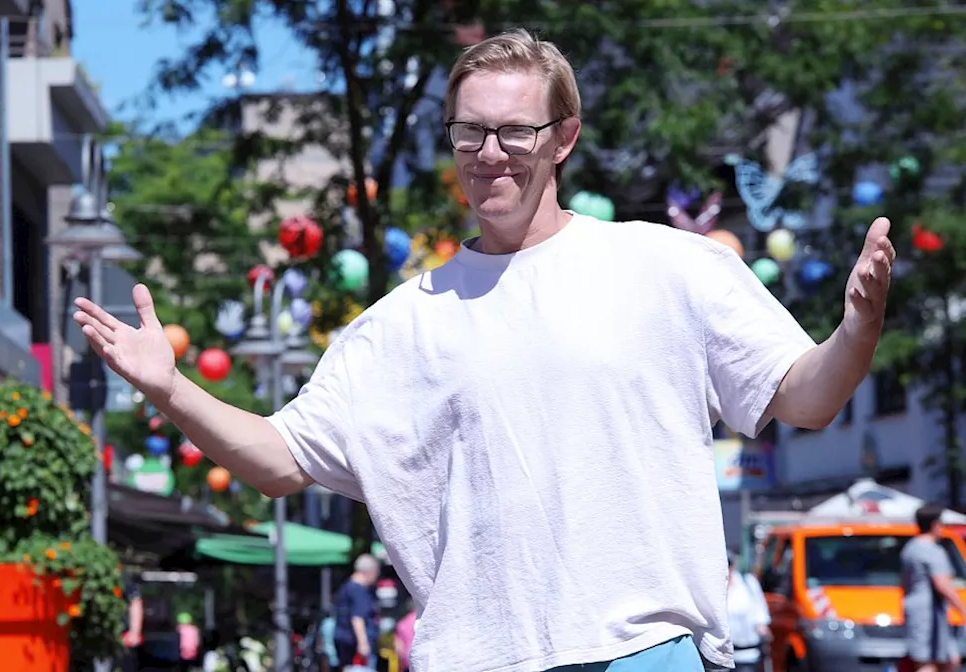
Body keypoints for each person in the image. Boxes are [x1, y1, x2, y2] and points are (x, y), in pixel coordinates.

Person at [73, 29, 894, 672]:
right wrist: (168, 387)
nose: (489, 153)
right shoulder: (398, 327)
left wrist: (856, 329)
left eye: (513, 131)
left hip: (646, 655)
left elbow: (809, 396)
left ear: (564, 137)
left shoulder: (668, 265)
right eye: (469, 132)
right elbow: (278, 461)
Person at [902, 505, 966, 672]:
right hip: (929, 615)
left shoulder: (910, 548)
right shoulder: (932, 551)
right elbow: (943, 585)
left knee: (950, 658)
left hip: (917, 610)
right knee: (927, 662)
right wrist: (962, 610)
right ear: (935, 524)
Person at [332, 555, 379, 670]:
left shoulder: (346, 587)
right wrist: (363, 643)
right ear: (371, 572)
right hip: (356, 645)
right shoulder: (359, 590)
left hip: (343, 641)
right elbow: (357, 618)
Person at [726, 553, 770, 672]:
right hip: (722, 657)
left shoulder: (747, 582)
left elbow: (760, 612)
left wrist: (762, 627)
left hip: (747, 654)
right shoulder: (714, 588)